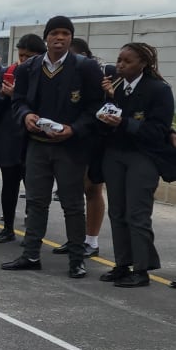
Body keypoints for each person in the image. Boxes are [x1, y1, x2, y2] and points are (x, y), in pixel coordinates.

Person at [1, 16, 104, 278]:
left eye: (65, 33)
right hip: (37, 145)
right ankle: (31, 254)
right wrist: (26, 115)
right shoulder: (28, 68)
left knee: (72, 204)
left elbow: (94, 107)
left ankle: (77, 259)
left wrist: (74, 129)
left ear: (71, 37)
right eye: (55, 33)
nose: (60, 38)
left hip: (70, 146)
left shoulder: (86, 68)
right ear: (46, 37)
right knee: (36, 201)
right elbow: (18, 101)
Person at [97, 43, 174, 287]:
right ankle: (122, 264)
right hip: (115, 154)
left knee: (137, 213)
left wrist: (123, 123)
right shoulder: (117, 87)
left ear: (143, 64)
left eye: (126, 61)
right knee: (117, 211)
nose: (120, 65)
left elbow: (157, 130)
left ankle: (142, 269)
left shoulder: (159, 90)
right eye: (119, 59)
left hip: (143, 156)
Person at [0, 34, 46, 243]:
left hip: (32, 137)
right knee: (10, 183)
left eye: (29, 56)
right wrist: (4, 95)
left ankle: (33, 232)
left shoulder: (45, 77)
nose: (23, 60)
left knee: (33, 187)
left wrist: (17, 96)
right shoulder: (9, 73)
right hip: (9, 136)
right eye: (21, 55)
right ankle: (8, 227)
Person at [52, 37, 105, 258]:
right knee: (72, 192)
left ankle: (91, 241)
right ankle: (76, 239)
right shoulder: (65, 75)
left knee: (92, 189)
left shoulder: (101, 74)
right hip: (72, 139)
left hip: (95, 140)